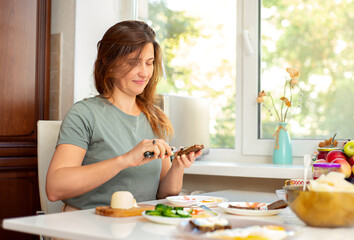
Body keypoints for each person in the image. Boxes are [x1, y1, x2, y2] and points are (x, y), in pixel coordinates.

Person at [46, 20, 202, 211]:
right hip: (91, 223)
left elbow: (164, 195)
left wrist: (178, 167)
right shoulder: (84, 114)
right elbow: (55, 188)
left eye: (149, 63)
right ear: (108, 63)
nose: (144, 72)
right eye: (133, 62)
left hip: (141, 223)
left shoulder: (155, 118)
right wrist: (126, 160)